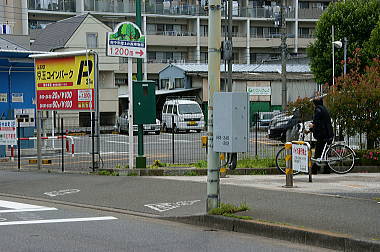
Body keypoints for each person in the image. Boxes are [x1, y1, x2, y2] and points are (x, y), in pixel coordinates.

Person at [307, 95, 334, 174]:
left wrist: (311, 127)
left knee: (318, 151)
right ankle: (326, 169)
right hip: (328, 133)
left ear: (314, 104)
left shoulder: (318, 109)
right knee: (324, 152)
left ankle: (314, 169)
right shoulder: (323, 108)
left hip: (323, 134)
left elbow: (317, 122)